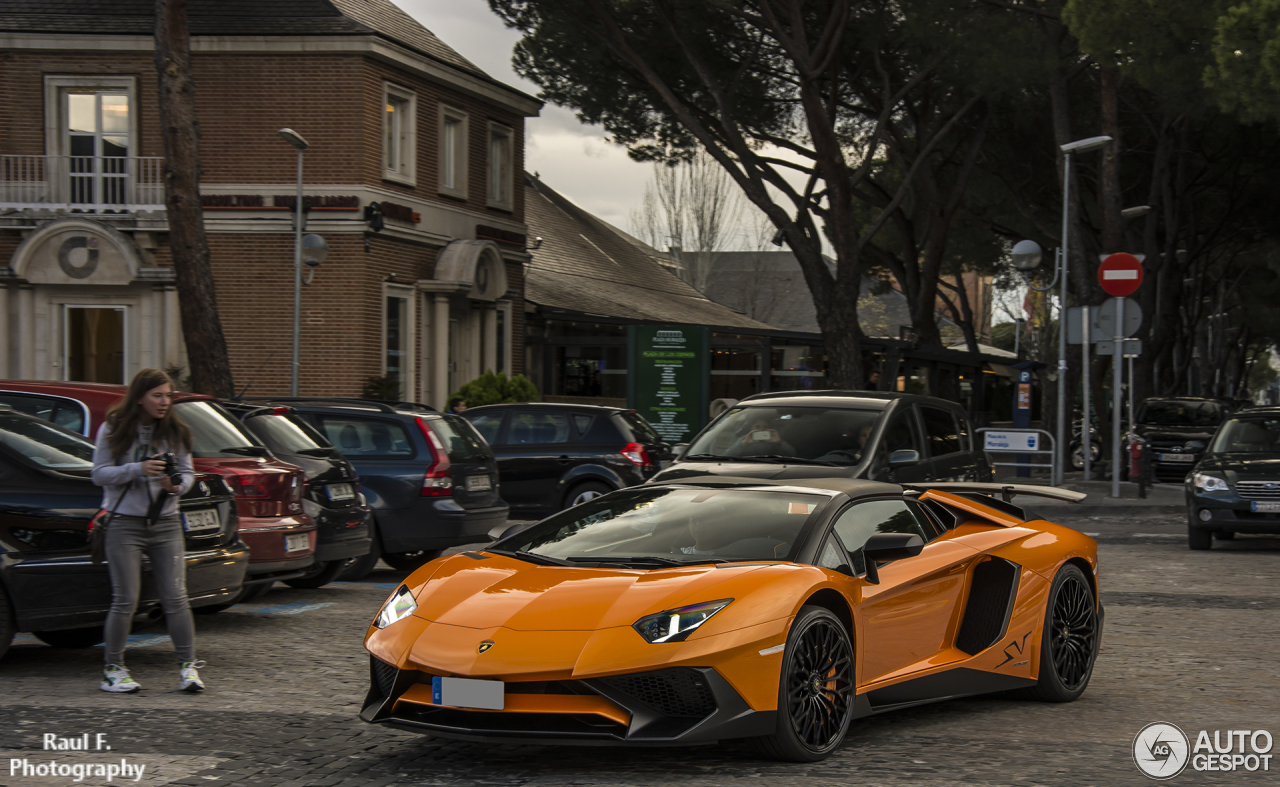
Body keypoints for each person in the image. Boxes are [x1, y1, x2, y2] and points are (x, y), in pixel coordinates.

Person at [90, 368, 202, 694]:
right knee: (125, 599)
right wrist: (137, 469)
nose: (164, 402)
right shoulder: (114, 427)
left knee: (176, 598)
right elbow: (99, 474)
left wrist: (175, 485)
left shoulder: (176, 431)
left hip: (166, 522)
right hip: (125, 523)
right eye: (157, 395)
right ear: (139, 397)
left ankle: (188, 668)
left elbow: (188, 473)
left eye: (168, 395)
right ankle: (113, 669)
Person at [728, 416, 796, 457]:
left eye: (765, 427)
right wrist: (744, 443)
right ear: (751, 428)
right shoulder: (745, 439)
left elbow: (792, 454)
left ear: (769, 428)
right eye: (757, 427)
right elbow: (728, 454)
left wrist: (780, 442)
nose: (761, 430)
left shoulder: (773, 440)